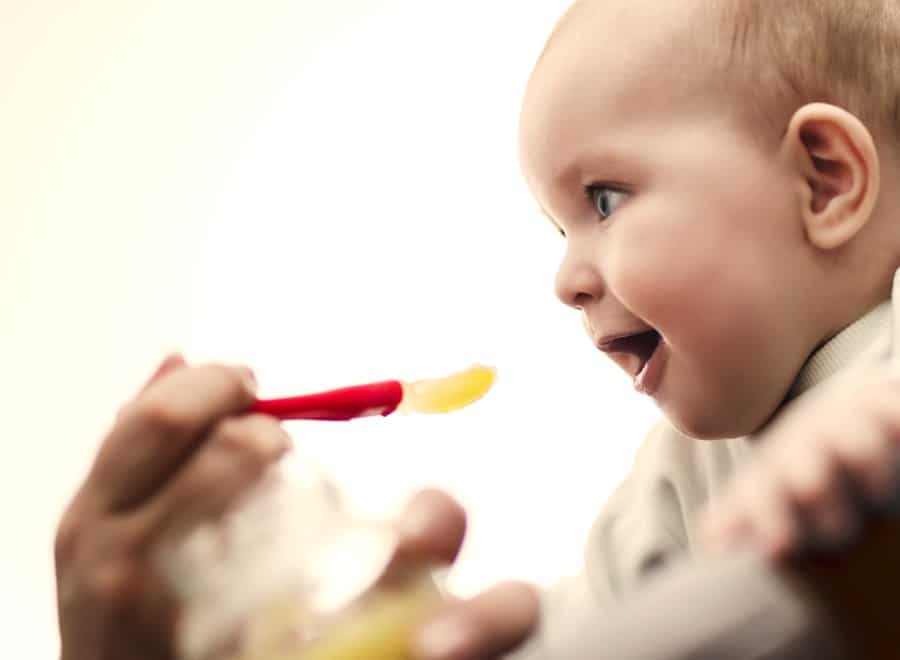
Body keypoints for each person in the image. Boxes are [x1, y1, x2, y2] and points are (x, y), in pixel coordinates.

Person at [54, 1, 900, 659]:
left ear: (825, 180)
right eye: (560, 228)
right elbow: (593, 628)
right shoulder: (670, 487)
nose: (568, 279)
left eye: (605, 199)